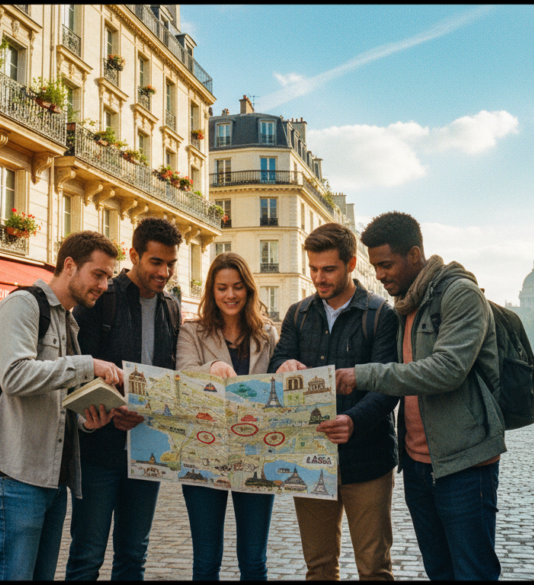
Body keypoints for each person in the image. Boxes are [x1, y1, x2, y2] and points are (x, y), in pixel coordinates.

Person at [336, 211, 505, 581]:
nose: (379, 274)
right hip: (417, 464)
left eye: (385, 264)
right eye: (374, 266)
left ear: (414, 254)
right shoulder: (406, 304)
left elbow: (447, 369)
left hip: (463, 463)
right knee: (439, 571)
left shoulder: (460, 293)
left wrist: (362, 375)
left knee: (472, 571)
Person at [0, 231, 125, 581]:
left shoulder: (66, 321)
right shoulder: (22, 305)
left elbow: (56, 399)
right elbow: (14, 376)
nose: (104, 285)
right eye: (98, 274)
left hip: (51, 479)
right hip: (12, 473)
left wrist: (89, 419)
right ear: (69, 265)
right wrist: (88, 365)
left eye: (108, 277)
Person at [269, 223, 400, 581]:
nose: (319, 278)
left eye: (328, 269)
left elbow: (389, 387)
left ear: (351, 264)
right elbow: (276, 360)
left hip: (367, 459)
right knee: (319, 567)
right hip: (310, 458)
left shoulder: (380, 315)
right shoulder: (298, 313)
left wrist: (354, 421)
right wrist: (282, 366)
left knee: (374, 568)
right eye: (313, 269)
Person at [67, 217, 184, 581]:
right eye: (156, 262)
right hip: (100, 450)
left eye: (171, 264)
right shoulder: (103, 300)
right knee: (87, 554)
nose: (164, 272)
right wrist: (109, 408)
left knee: (134, 555)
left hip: (148, 449)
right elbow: (75, 369)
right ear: (134, 255)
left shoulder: (172, 308)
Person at [175, 252, 280, 581]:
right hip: (204, 453)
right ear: (211, 290)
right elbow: (182, 374)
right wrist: (211, 369)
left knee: (253, 560)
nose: (230, 295)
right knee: (206, 560)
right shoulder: (192, 331)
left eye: (237, 287)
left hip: (255, 455)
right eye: (222, 288)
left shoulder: (267, 334)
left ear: (249, 290)